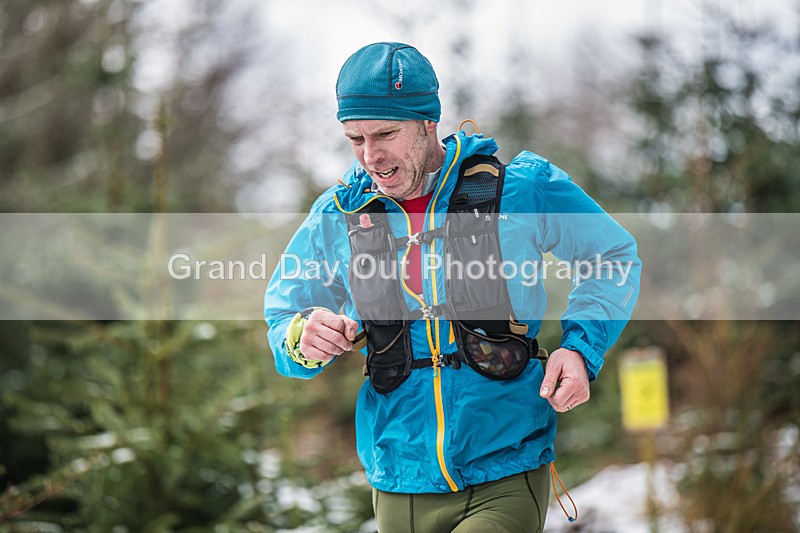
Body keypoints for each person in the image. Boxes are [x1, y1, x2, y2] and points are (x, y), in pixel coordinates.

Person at [264, 42, 641, 532]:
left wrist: (581, 347)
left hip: (504, 466)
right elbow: (284, 316)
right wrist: (303, 337)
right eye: (355, 138)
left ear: (427, 123)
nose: (370, 156)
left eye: (385, 134)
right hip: (399, 477)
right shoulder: (338, 214)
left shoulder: (518, 189)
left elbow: (611, 256)